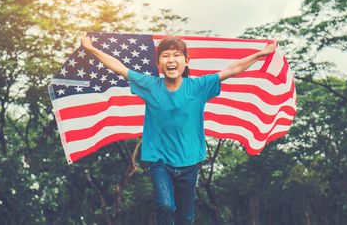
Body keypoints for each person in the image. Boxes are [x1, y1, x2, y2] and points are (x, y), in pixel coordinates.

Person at [81, 34, 277, 225]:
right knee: (165, 206)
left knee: (186, 218)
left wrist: (261, 54)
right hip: (160, 162)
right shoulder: (150, 85)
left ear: (186, 61)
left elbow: (233, 69)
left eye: (176, 55)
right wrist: (91, 49)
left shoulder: (199, 86)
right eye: (165, 56)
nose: (171, 60)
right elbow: (119, 67)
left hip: (189, 162)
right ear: (158, 62)